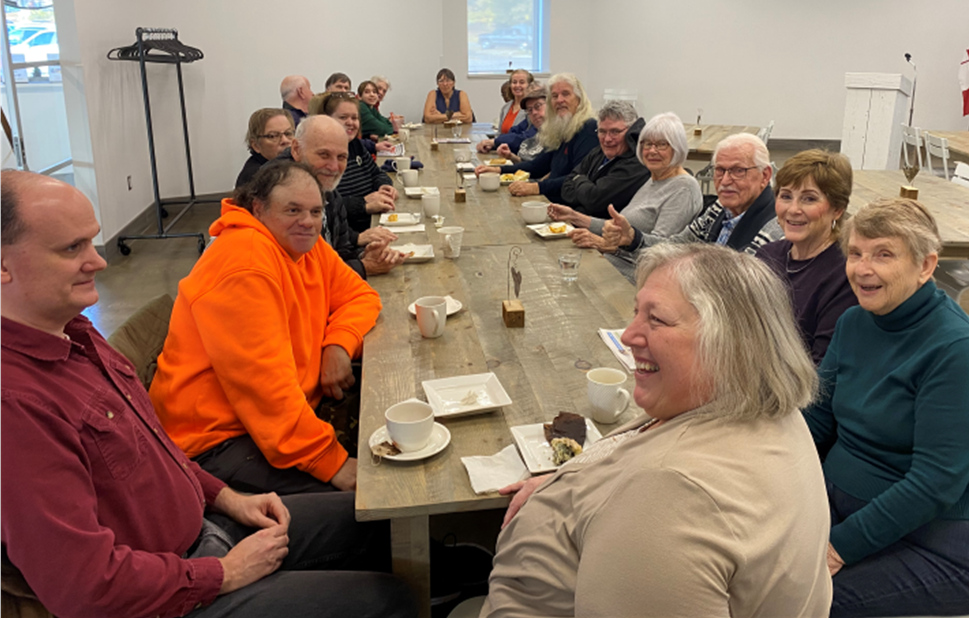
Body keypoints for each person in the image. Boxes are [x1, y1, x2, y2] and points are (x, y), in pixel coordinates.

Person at [0, 170, 414, 617]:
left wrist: (226, 497)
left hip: (206, 526)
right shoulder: (17, 405)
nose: (99, 261)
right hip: (172, 589)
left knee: (384, 523)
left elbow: (158, 450)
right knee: (390, 600)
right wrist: (224, 573)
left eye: (91, 242)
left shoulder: (73, 333)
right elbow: (85, 588)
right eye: (71, 249)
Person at [483, 243, 831, 616]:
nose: (629, 335)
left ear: (729, 345)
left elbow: (667, 501)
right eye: (636, 313)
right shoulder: (762, 407)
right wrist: (570, 480)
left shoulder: (671, 497)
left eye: (657, 320)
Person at [150, 160, 381, 496]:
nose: (307, 222)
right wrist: (330, 461)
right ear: (258, 208)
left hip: (277, 420)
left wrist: (338, 345)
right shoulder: (246, 263)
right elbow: (265, 391)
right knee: (366, 509)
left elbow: (361, 295)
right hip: (216, 442)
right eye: (293, 210)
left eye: (316, 212)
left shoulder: (305, 245)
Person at [803, 198, 969, 617]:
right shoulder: (854, 321)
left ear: (926, 266)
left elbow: (935, 483)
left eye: (884, 255)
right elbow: (818, 416)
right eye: (855, 253)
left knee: (811, 604)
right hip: (837, 505)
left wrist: (840, 547)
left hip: (929, 537)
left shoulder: (955, 350)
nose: (862, 269)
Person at [550, 111, 702, 282]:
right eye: (646, 144)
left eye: (661, 145)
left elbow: (661, 252)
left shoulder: (683, 188)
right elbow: (621, 230)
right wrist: (574, 216)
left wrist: (606, 246)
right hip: (614, 264)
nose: (652, 150)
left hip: (637, 277)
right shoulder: (654, 179)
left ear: (678, 148)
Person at [603, 132, 782, 256]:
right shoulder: (720, 207)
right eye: (719, 170)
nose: (725, 181)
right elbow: (678, 246)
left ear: (764, 175)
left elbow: (738, 288)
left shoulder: (774, 227)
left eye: (738, 171)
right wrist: (634, 238)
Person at [755, 150, 858, 365]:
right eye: (785, 196)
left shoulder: (845, 273)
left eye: (809, 199)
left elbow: (822, 366)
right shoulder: (767, 255)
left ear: (837, 209)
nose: (793, 209)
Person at [285, 115, 405, 278]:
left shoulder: (328, 191)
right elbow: (304, 276)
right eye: (324, 155)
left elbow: (340, 251)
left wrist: (365, 255)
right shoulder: (283, 198)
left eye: (341, 157)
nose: (334, 167)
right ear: (296, 150)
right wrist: (364, 266)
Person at [475, 72, 598, 201]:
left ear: (579, 98)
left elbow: (577, 178)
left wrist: (536, 187)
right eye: (555, 96)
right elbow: (537, 166)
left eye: (566, 94)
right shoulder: (561, 128)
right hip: (551, 199)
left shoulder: (588, 128)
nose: (560, 100)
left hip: (567, 207)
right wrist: (498, 170)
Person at [312, 91, 398, 233]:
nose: (350, 123)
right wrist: (363, 205)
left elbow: (377, 173)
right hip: (349, 236)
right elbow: (323, 208)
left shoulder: (355, 145)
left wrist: (384, 186)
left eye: (354, 118)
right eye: (343, 117)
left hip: (371, 224)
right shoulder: (319, 156)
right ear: (326, 119)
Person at [548, 99, 649, 218]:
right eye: (602, 131)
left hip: (602, 232)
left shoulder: (637, 162)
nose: (607, 139)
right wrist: (587, 189)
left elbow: (594, 201)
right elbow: (566, 187)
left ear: (631, 132)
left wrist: (579, 179)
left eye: (615, 132)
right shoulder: (599, 152)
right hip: (577, 224)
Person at [476, 70, 534, 153]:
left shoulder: (530, 110)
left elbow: (523, 138)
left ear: (529, 85)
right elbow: (500, 134)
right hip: (502, 152)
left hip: (518, 154)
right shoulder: (506, 107)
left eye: (522, 82)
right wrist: (490, 145)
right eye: (514, 82)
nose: (517, 85)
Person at [235, 108, 295, 188]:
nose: (285, 140)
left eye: (288, 133)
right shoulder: (256, 176)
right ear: (256, 145)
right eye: (273, 136)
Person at [493, 83, 547, 163]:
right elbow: (530, 165)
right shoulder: (534, 124)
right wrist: (511, 156)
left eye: (537, 106)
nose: (534, 113)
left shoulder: (556, 136)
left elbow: (539, 169)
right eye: (530, 110)